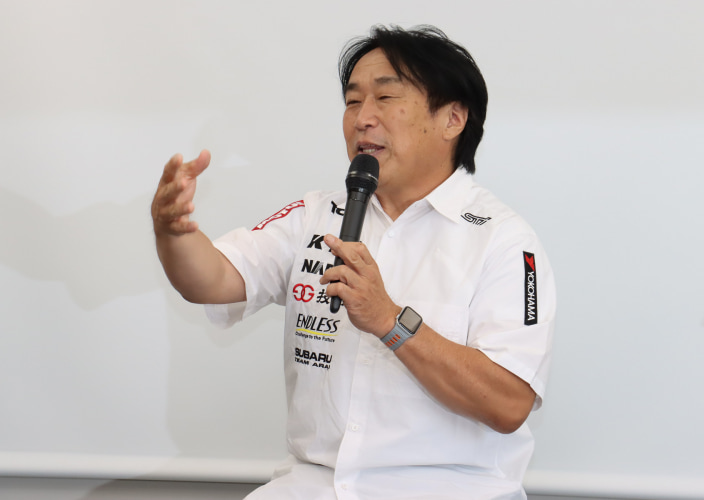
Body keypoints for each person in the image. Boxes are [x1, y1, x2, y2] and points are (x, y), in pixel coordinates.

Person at [151, 25, 555, 500]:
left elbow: (508, 403)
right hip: (314, 486)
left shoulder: (503, 240)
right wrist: (173, 232)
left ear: (452, 119)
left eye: (386, 98)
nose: (362, 119)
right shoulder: (315, 215)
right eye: (352, 101)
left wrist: (390, 321)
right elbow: (212, 279)